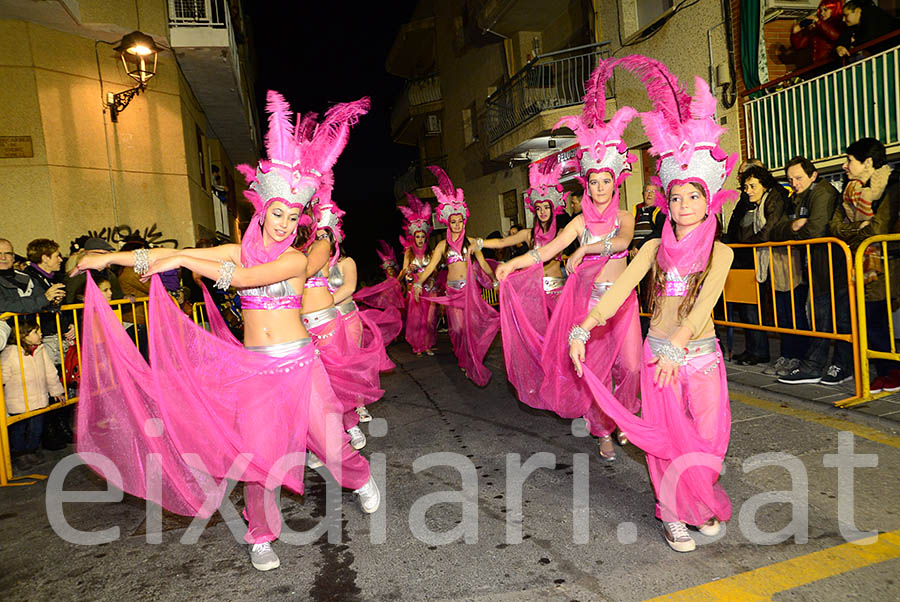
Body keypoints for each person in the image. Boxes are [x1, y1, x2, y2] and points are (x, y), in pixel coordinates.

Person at [71, 91, 379, 572]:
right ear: (263, 211)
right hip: (258, 372)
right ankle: (260, 535)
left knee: (335, 447)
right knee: (260, 462)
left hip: (302, 365)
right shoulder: (238, 250)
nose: (284, 223)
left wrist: (185, 260)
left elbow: (240, 278)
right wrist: (111, 257)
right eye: (277, 213)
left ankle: (360, 479)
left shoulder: (295, 258)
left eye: (293, 216)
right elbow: (183, 255)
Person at [570, 55, 737, 553]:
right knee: (666, 441)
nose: (684, 206)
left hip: (699, 355)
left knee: (708, 441)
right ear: (665, 199)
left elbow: (705, 301)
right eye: (677, 197)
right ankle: (672, 514)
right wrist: (586, 324)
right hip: (657, 352)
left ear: (709, 200)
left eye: (693, 197)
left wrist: (679, 346)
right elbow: (619, 290)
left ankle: (699, 501)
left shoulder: (721, 252)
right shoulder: (651, 248)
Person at [496, 59, 641, 461]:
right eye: (592, 180)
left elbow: (621, 242)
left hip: (622, 300)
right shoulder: (578, 220)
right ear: (587, 183)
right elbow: (547, 249)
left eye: (605, 180)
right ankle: (602, 428)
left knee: (628, 367)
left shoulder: (626, 217)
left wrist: (587, 248)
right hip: (588, 303)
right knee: (592, 372)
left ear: (616, 181)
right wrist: (514, 264)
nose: (598, 186)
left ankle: (625, 414)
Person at [414, 166, 500, 386]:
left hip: (470, 291)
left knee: (471, 327)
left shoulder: (471, 243)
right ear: (447, 223)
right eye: (453, 221)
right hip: (453, 292)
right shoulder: (443, 245)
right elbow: (431, 267)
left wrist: (495, 280)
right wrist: (417, 283)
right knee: (458, 330)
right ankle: (464, 358)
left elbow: (482, 264)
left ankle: (472, 360)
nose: (457, 224)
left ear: (464, 221)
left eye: (460, 221)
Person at [829, 137, 900, 391]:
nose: (845, 166)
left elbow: (877, 230)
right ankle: (885, 372)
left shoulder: (891, 186)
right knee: (869, 321)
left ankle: (891, 372)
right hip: (860, 266)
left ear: (868, 162)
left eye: (849, 160)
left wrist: (858, 231)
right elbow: (834, 227)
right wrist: (858, 228)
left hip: (884, 266)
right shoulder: (849, 191)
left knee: (876, 320)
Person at [774, 157, 846, 384]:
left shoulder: (822, 193)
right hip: (813, 267)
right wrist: (792, 226)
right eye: (790, 179)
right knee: (820, 316)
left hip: (830, 266)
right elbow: (775, 231)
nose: (794, 183)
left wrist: (791, 233)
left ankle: (828, 365)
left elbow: (816, 230)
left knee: (830, 318)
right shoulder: (797, 198)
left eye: (798, 178)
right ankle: (817, 364)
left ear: (813, 175)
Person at [738, 165, 808, 372]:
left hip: (787, 261)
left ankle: (797, 357)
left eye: (752, 186)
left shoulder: (775, 197)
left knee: (793, 311)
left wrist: (750, 242)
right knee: (782, 313)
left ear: (764, 184)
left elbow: (769, 231)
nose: (747, 190)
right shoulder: (759, 205)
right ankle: (787, 355)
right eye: (745, 186)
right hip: (774, 262)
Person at [484, 155, 570, 310]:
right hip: (535, 290)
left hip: (555, 289)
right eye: (539, 208)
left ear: (553, 208)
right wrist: (479, 242)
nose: (542, 211)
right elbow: (502, 242)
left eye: (546, 207)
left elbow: (549, 254)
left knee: (558, 332)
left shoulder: (561, 232)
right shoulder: (529, 234)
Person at [1, 317, 65, 473]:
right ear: (23, 335)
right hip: (18, 402)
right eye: (35, 331)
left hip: (39, 399)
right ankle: (19, 454)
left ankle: (30, 451)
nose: (40, 333)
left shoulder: (40, 350)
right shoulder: (10, 353)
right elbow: (2, 376)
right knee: (19, 430)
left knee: (36, 428)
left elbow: (50, 372)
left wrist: (56, 391)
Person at [396, 193, 439, 356]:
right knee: (418, 319)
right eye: (417, 236)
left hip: (430, 288)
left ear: (425, 236)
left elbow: (434, 269)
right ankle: (418, 346)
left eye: (422, 236)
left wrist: (432, 276)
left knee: (430, 319)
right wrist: (410, 269)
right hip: (416, 288)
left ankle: (427, 345)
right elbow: (405, 269)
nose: (420, 239)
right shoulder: (409, 252)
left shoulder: (431, 251)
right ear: (413, 237)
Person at [836, 0, 900, 58]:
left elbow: (870, 36)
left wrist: (853, 43)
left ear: (857, 10)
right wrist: (840, 47)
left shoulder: (871, 13)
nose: (843, 19)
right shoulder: (853, 25)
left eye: (846, 15)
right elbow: (845, 35)